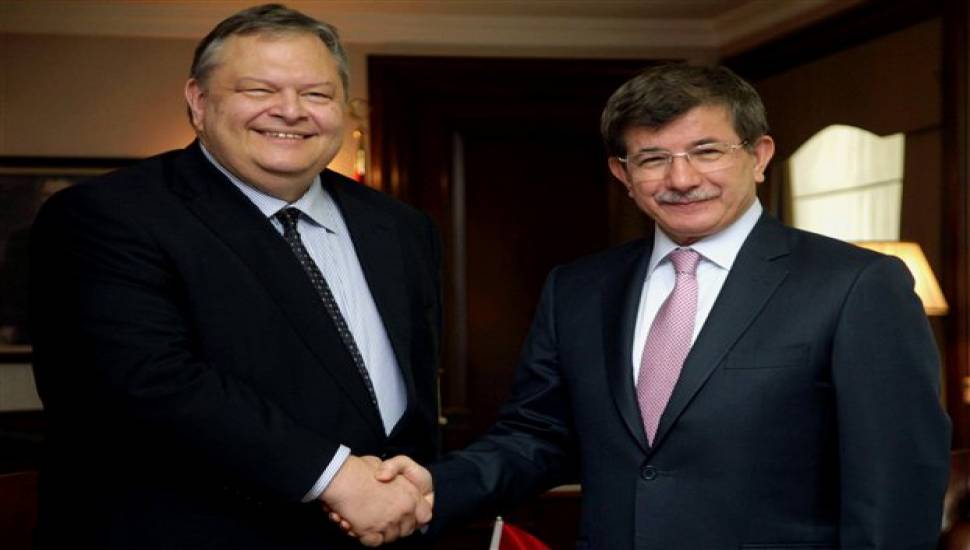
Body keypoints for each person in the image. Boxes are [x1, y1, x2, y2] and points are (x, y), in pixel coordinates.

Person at [375, 64, 951, 548]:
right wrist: (433, 487)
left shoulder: (855, 285)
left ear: (759, 155)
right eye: (652, 159)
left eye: (707, 151)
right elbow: (538, 436)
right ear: (622, 174)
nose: (681, 178)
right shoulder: (578, 289)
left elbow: (897, 484)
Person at [30, 4, 438, 549]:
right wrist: (337, 478)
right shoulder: (109, 215)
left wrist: (409, 494)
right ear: (199, 102)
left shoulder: (400, 226)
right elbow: (146, 383)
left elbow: (410, 396)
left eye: (317, 94)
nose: (290, 111)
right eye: (258, 90)